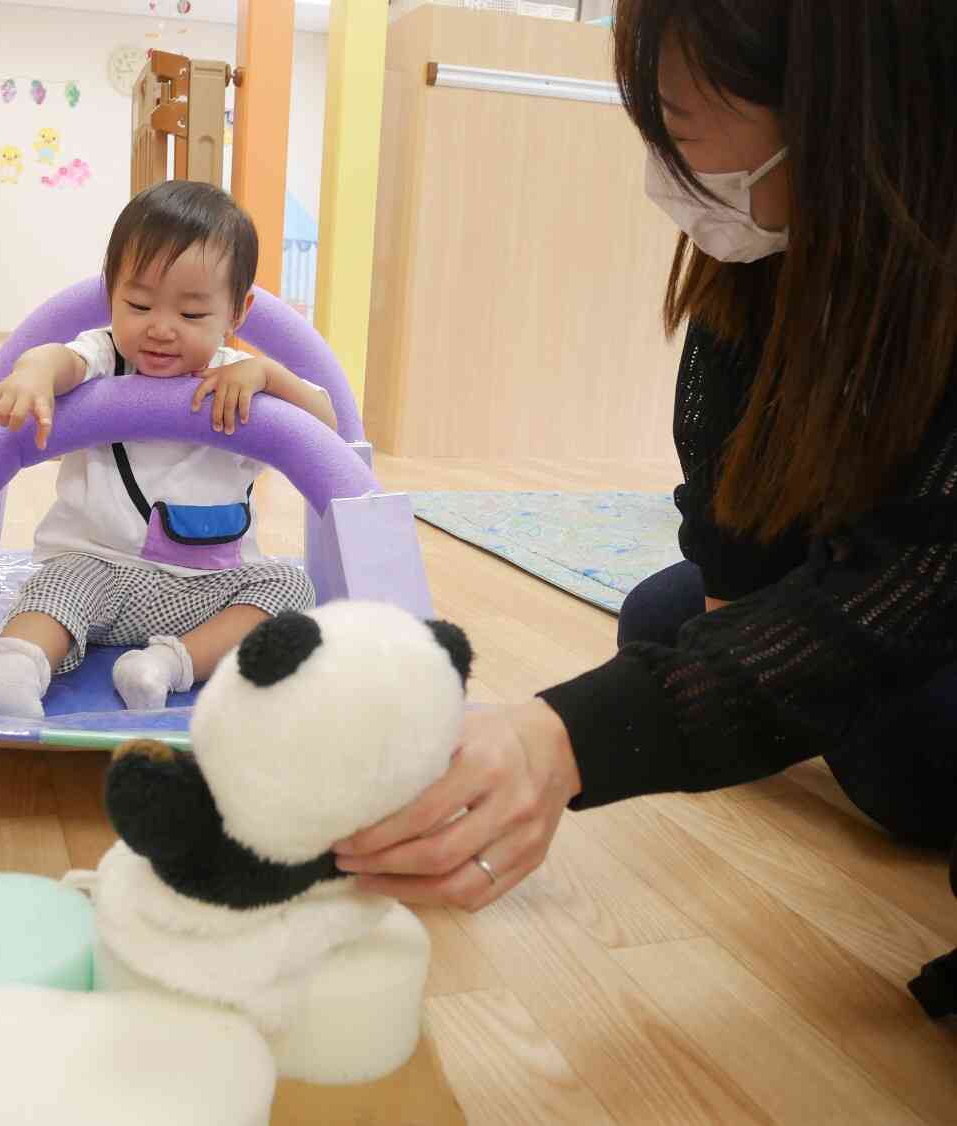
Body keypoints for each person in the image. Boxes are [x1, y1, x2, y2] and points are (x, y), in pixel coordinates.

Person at [333, 0, 957, 944]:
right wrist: (729, 662)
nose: (664, 168)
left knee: (913, 750)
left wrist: (565, 738)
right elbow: (729, 506)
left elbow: (919, 572)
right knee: (666, 619)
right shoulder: (767, 249)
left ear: (833, 113)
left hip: (919, 566)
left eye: (678, 125)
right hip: (860, 544)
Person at [0, 181, 335, 719]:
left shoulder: (240, 378)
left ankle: (166, 666)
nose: (161, 329)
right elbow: (60, 358)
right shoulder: (106, 355)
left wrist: (271, 376)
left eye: (191, 316)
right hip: (98, 570)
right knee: (53, 584)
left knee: (289, 587)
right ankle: (15, 670)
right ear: (111, 295)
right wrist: (34, 372)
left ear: (236, 312)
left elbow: (327, 434)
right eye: (139, 304)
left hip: (208, 590)